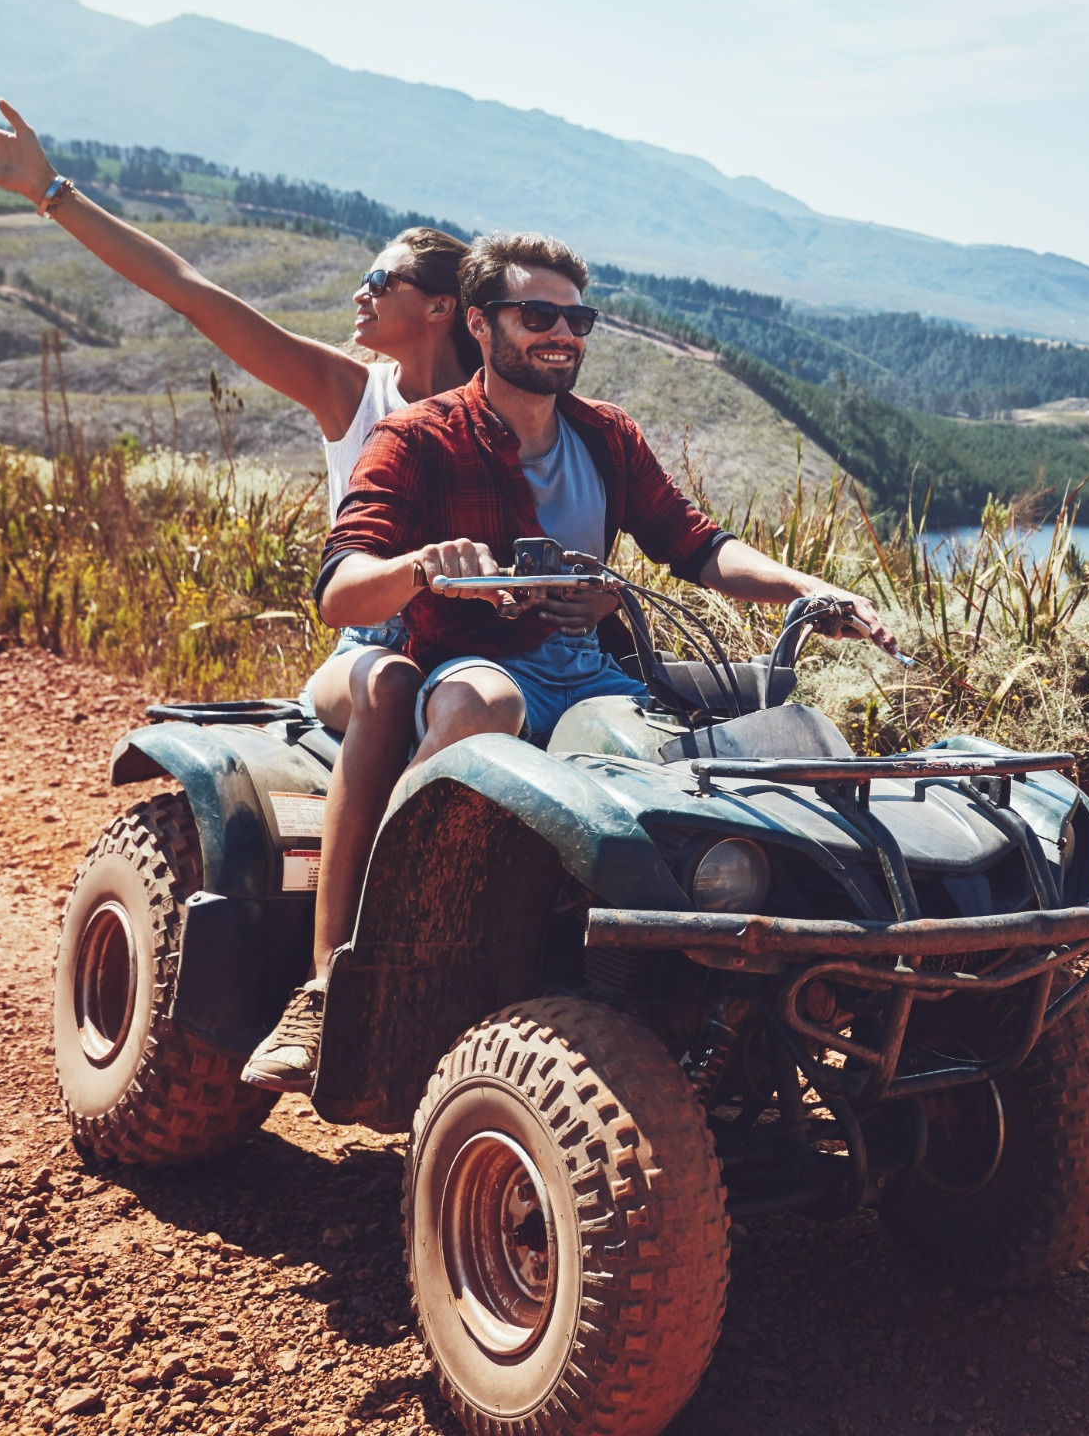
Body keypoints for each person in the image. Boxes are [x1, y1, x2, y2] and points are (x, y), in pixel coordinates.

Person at [241, 231, 897, 1091]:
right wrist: (420, 567)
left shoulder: (607, 437)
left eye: (577, 318)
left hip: (592, 673)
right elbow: (341, 588)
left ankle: (716, 983)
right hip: (476, 661)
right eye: (539, 314)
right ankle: (365, 956)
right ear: (480, 324)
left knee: (694, 768)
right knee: (478, 706)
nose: (564, 334)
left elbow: (698, 547)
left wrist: (807, 587)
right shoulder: (417, 438)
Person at [0, 99, 473, 1010]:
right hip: (370, 648)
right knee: (387, 682)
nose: (360, 292)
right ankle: (338, 974)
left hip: (474, 650)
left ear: (439, 309)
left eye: (379, 279)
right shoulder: (350, 392)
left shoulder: (499, 408)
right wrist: (49, 193)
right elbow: (192, 292)